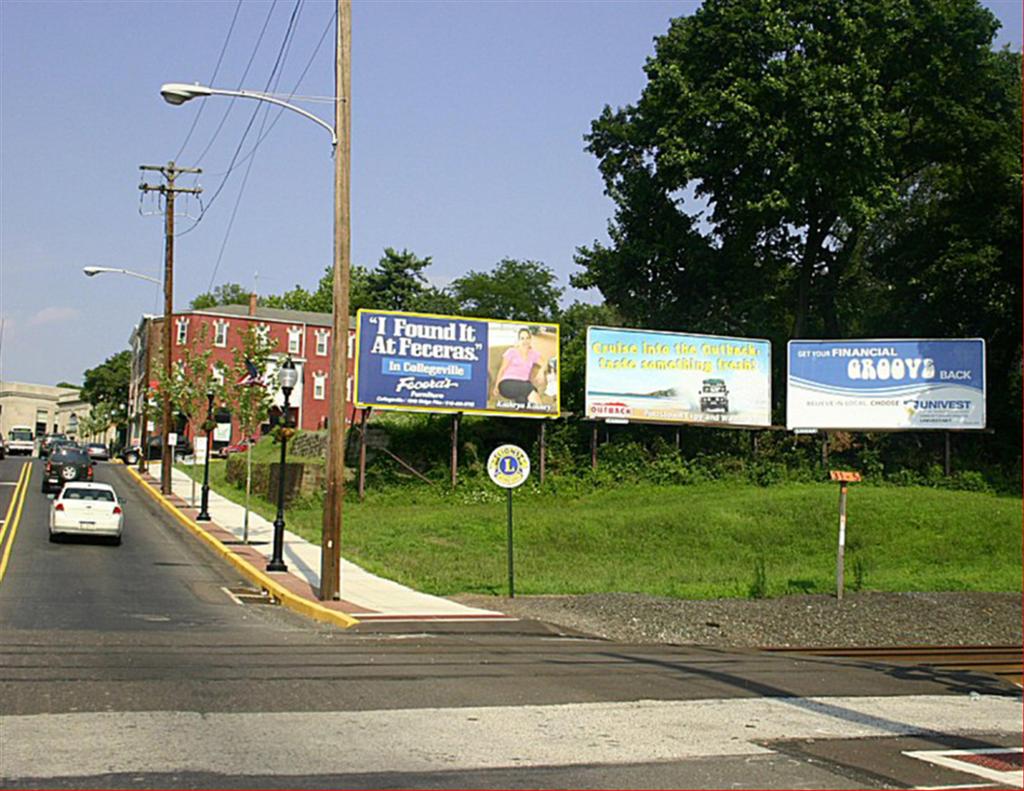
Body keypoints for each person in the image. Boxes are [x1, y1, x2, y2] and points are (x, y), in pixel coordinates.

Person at [492, 328, 544, 406]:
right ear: (518, 340)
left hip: (523, 385)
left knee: (522, 399)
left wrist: (541, 372)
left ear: (530, 340)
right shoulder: (511, 351)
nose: (525, 341)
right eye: (522, 338)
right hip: (507, 384)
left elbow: (544, 362)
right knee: (530, 388)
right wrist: (496, 386)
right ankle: (542, 412)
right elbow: (502, 370)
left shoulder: (533, 354)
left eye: (527, 338)